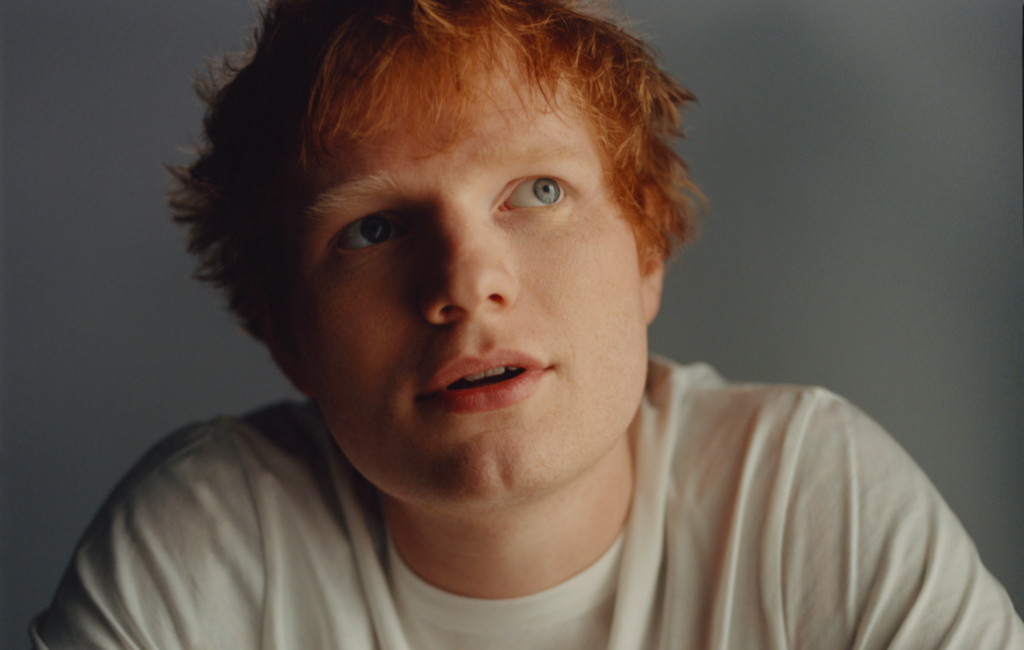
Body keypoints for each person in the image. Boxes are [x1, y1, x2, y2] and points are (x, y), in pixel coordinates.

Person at [30, 0, 1023, 648]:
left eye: (536, 190)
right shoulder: (201, 544)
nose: (466, 284)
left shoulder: (809, 497)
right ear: (284, 329)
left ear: (647, 252)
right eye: (373, 227)